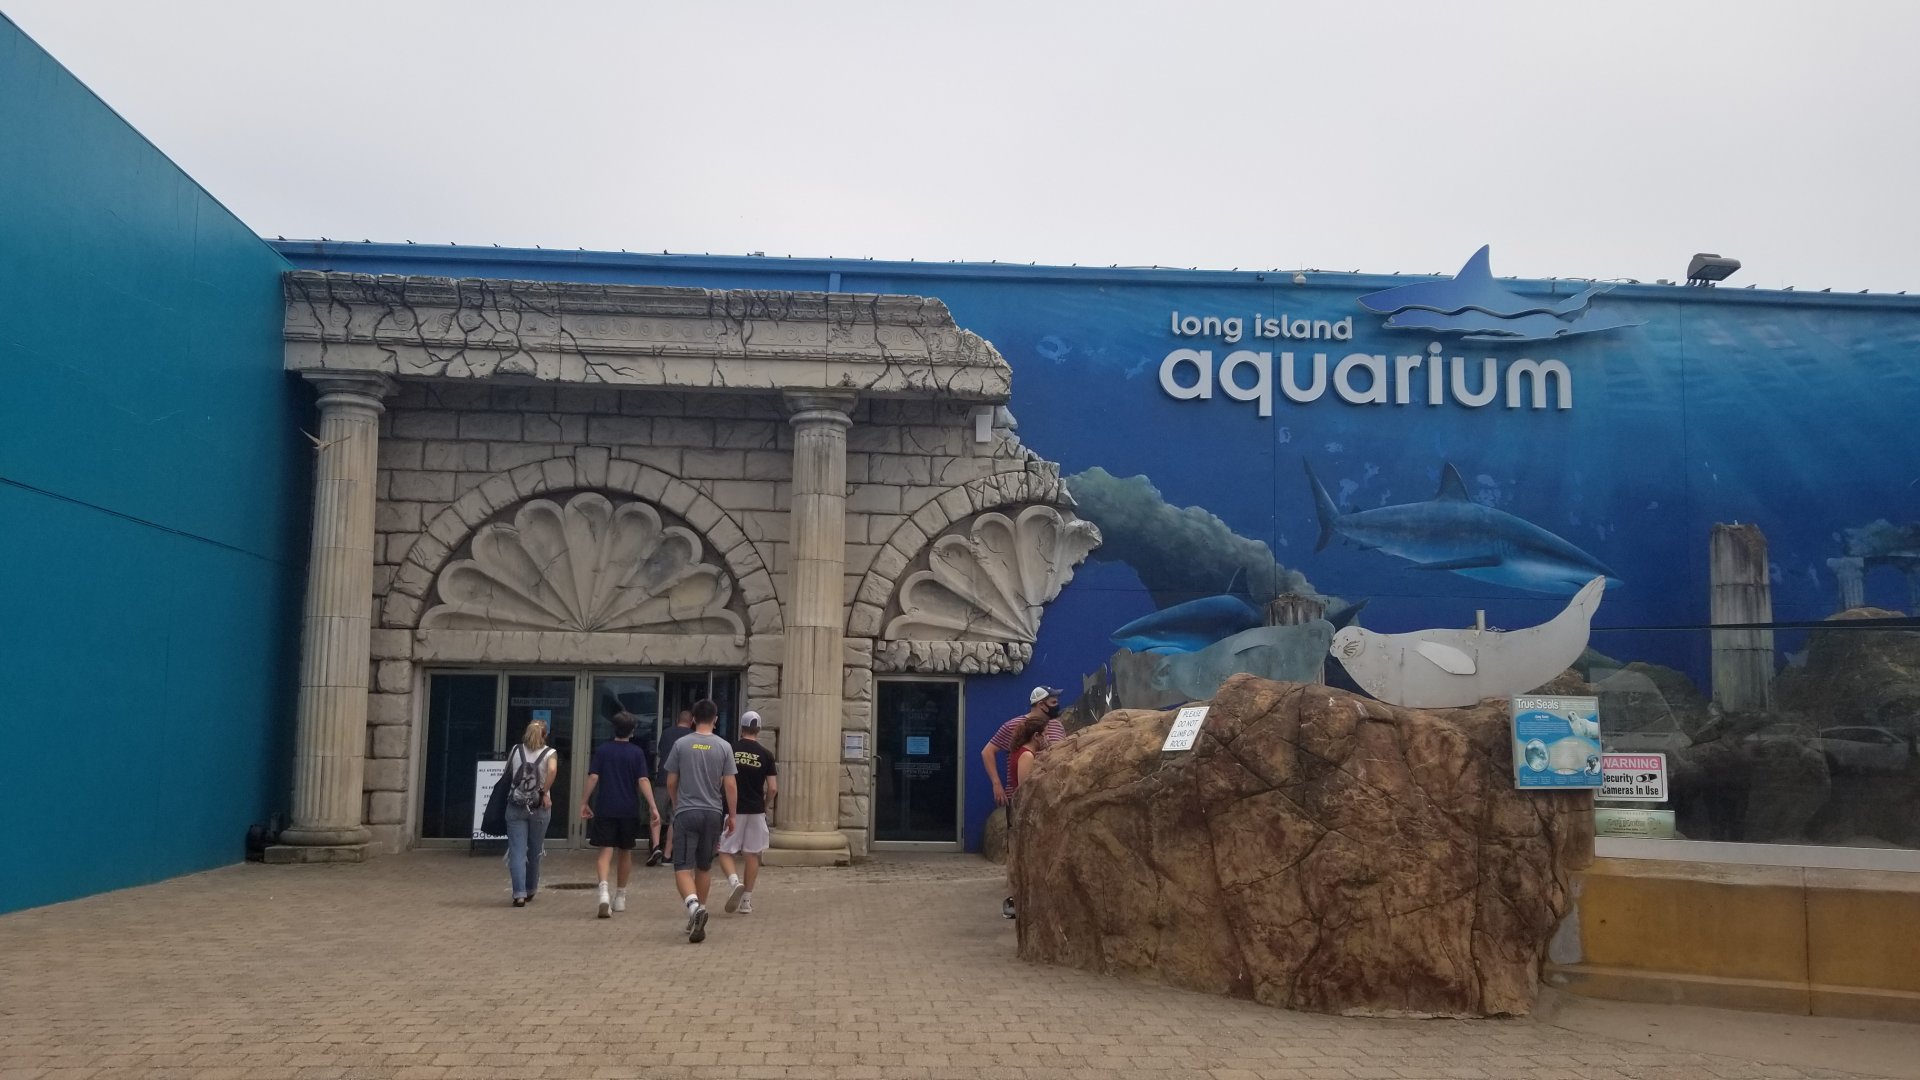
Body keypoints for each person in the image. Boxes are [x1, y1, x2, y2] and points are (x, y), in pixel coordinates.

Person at [662, 699, 738, 943]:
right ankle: (699, 909)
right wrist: (732, 815)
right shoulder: (724, 747)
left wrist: (676, 803)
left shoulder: (681, 744)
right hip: (713, 813)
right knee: (704, 866)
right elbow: (730, 785)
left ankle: (695, 909)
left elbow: (671, 781)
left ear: (693, 718)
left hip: (687, 811)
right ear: (715, 719)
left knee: (682, 866)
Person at [579, 712, 661, 919]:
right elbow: (643, 779)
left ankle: (603, 893)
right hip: (628, 808)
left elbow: (594, 776)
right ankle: (620, 896)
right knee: (625, 851)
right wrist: (653, 806)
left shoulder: (603, 750)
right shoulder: (636, 753)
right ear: (632, 731)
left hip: (606, 806)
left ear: (613, 729)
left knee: (605, 851)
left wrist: (584, 801)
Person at [717, 710, 777, 915]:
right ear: (758, 730)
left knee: (725, 851)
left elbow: (721, 781)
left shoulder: (730, 750)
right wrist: (766, 804)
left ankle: (734, 883)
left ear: (741, 728)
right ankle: (746, 901)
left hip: (733, 810)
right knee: (753, 854)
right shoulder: (766, 754)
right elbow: (773, 788)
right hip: (756, 810)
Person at [981, 686, 1067, 810]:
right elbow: (987, 751)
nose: (1057, 706)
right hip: (1022, 799)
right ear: (1041, 705)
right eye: (1053, 702)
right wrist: (996, 784)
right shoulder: (1013, 725)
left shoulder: (1057, 725)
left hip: (1051, 797)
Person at [503, 719, 558, 907]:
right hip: (539, 807)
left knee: (517, 851)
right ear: (545, 735)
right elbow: (552, 770)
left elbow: (507, 773)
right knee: (535, 850)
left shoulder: (516, 750)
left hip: (516, 805)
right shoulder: (550, 753)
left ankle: (518, 894)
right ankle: (531, 888)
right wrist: (544, 791)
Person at [1000, 715, 1050, 920]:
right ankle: (1017, 900)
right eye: (1044, 734)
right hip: (1023, 812)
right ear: (1036, 735)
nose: (1047, 738)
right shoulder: (1026, 755)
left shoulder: (1024, 753)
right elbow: (1024, 787)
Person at [650, 708, 697, 866]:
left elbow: (660, 752)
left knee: (656, 814)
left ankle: (655, 846)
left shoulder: (666, 733)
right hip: (681, 783)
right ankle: (667, 854)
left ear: (678, 719)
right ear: (692, 722)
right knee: (674, 819)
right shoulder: (693, 737)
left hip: (662, 779)